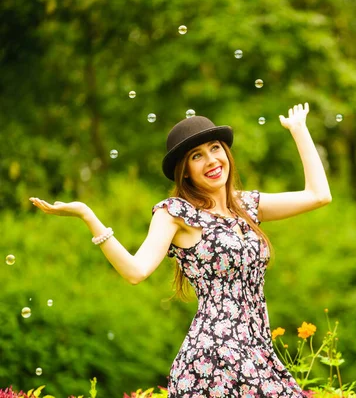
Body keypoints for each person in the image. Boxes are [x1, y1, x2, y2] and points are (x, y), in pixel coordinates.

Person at [30, 102, 331, 397]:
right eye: (197, 156)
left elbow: (319, 196)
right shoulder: (176, 212)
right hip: (215, 356)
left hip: (256, 349)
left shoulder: (246, 205)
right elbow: (136, 272)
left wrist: (299, 130)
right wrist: (88, 216)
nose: (211, 160)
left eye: (215, 148)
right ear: (184, 171)